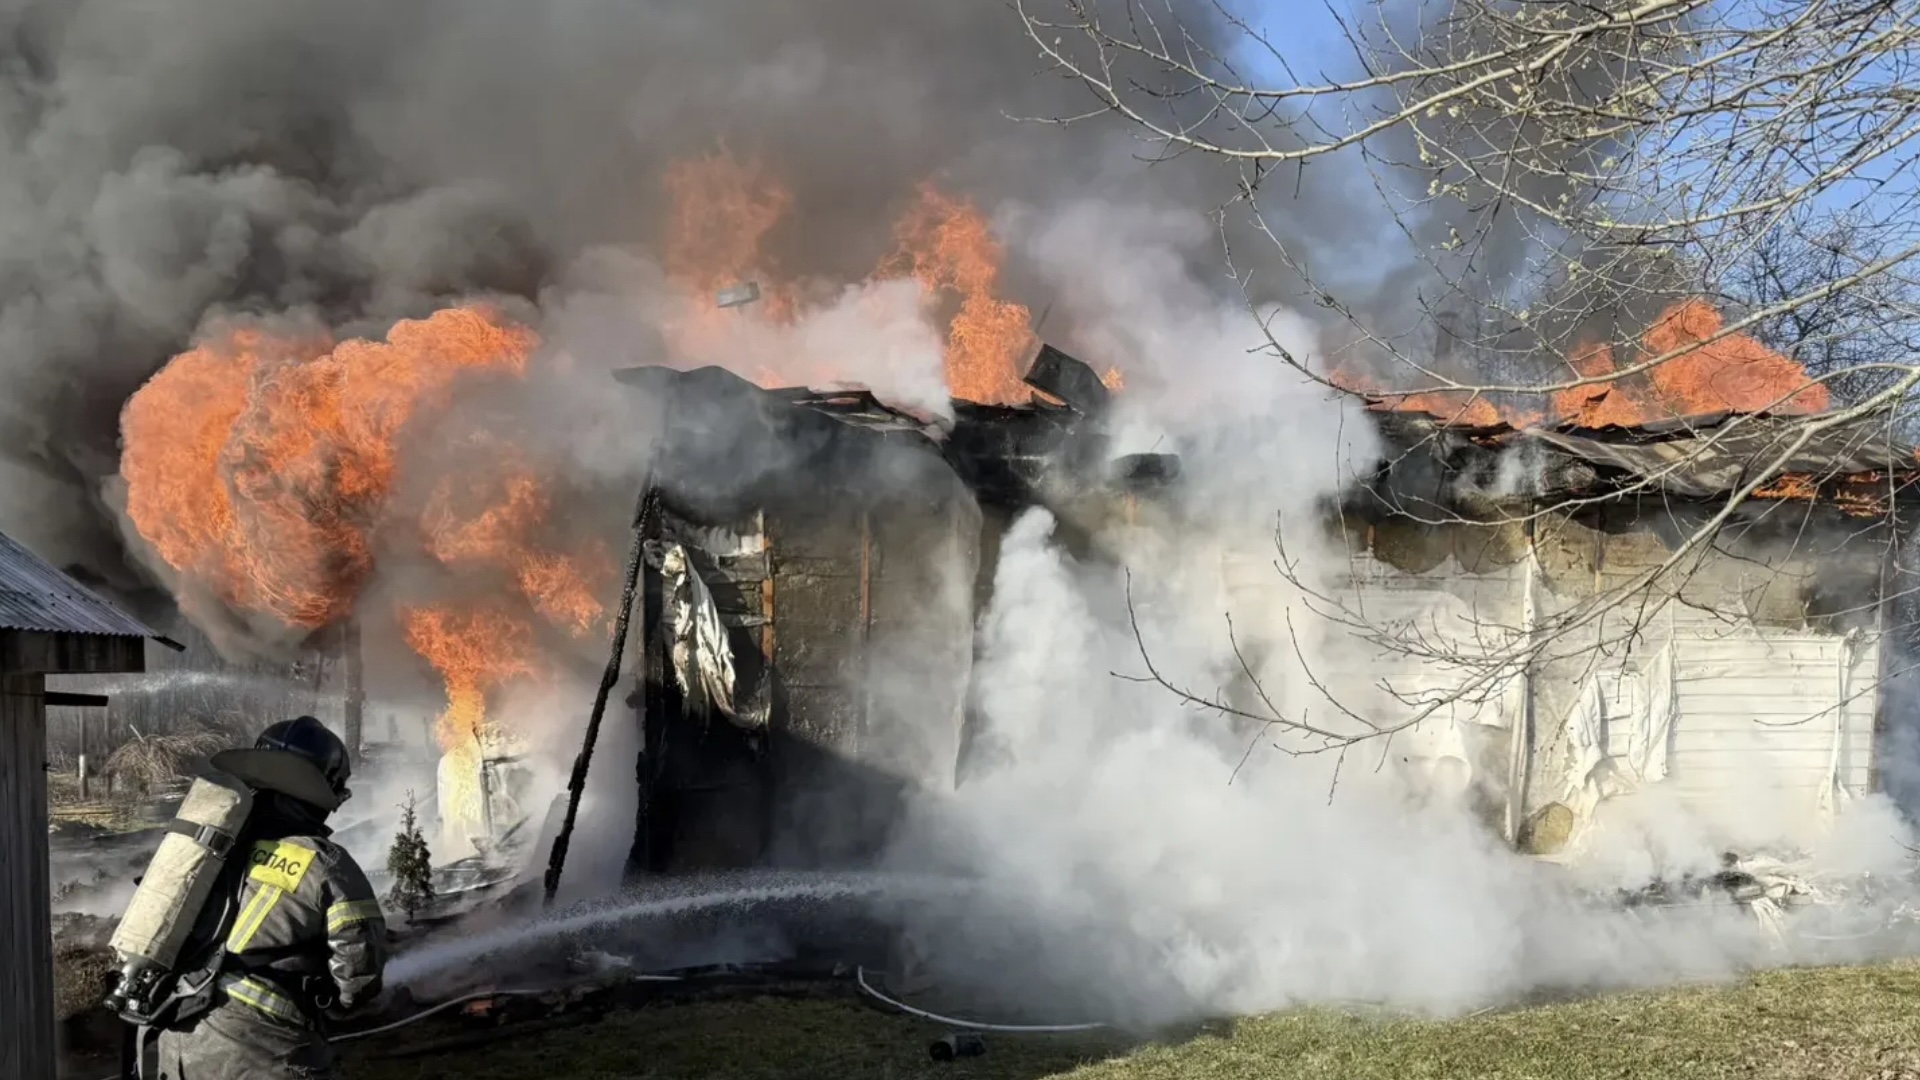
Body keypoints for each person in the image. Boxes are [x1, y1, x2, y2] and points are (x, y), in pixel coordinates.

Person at [147, 716, 390, 1080]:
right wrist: (333, 1001)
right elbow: (358, 973)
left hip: (177, 1041)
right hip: (263, 1052)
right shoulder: (324, 863)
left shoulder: (210, 845)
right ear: (320, 792)